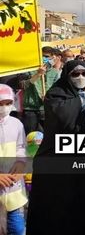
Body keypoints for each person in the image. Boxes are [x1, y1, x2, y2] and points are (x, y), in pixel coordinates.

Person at [26, 60, 85, 235]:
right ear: (67, 76)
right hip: (61, 169)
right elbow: (64, 118)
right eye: (75, 74)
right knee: (61, 215)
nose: (81, 77)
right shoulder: (56, 94)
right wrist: (84, 97)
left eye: (84, 73)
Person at [0, 85, 27, 235]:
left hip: (14, 192)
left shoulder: (17, 124)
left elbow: (21, 148)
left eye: (8, 103)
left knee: (17, 230)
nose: (4, 107)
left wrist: (21, 164)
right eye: (0, 103)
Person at [21, 46, 62, 133]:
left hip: (46, 109)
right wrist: (38, 74)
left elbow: (57, 90)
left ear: (52, 57)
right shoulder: (29, 70)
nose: (44, 58)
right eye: (42, 56)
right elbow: (23, 85)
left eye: (46, 56)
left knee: (47, 136)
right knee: (31, 137)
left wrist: (49, 97)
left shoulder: (54, 72)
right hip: (30, 109)